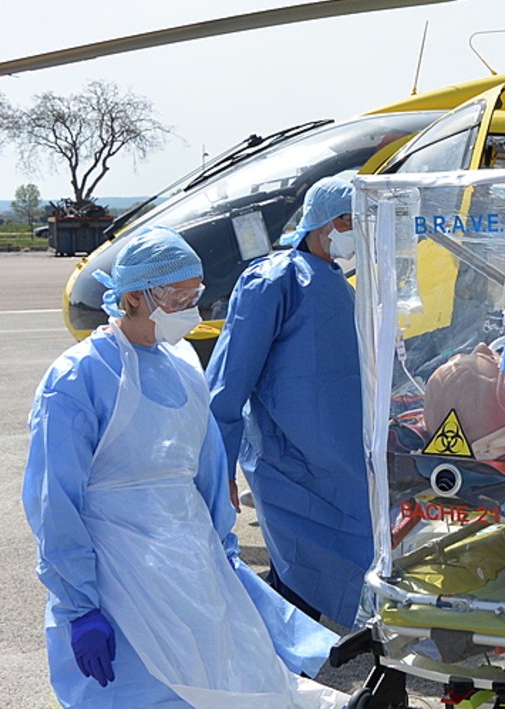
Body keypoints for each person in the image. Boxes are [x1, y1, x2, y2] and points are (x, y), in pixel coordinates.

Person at [23, 226, 341, 707]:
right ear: (132, 298)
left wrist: (223, 550)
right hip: (116, 566)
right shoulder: (79, 376)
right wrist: (80, 603)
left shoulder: (183, 365)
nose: (189, 310)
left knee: (225, 681)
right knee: (141, 687)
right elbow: (54, 499)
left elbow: (207, 468)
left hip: (190, 557)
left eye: (195, 295)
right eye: (176, 298)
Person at [207, 176, 372, 628]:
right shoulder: (273, 279)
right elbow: (229, 381)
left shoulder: (339, 283)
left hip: (343, 460)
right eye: (354, 221)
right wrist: (215, 469)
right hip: (289, 458)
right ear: (328, 222)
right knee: (299, 566)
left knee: (341, 557)